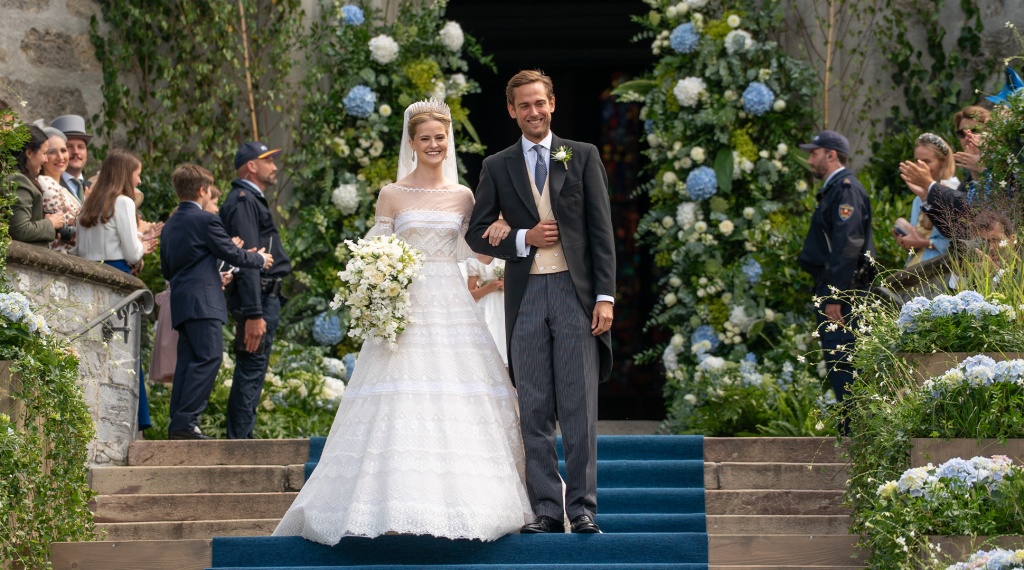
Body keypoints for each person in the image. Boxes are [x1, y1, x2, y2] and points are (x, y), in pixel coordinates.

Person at [273, 99, 532, 544]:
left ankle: (471, 503)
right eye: (425, 138)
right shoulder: (392, 194)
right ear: (411, 143)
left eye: (440, 137)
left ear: (448, 141)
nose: (433, 145)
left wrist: (500, 230)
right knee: (397, 395)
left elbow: (476, 254)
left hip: (451, 302)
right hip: (405, 305)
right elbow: (376, 251)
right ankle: (390, 504)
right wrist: (377, 282)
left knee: (458, 395)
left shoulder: (464, 196)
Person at [466, 70, 616, 535]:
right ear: (511, 110)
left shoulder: (583, 156)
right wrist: (522, 237)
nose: (533, 112)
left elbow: (601, 231)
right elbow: (476, 233)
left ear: (552, 104)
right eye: (524, 105)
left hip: (575, 293)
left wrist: (605, 297)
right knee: (532, 406)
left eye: (539, 103)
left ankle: (583, 508)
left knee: (578, 405)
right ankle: (548, 510)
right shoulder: (497, 165)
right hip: (526, 294)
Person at [160, 164, 272, 440]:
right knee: (209, 357)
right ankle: (187, 422)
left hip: (183, 301)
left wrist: (211, 273)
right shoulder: (206, 220)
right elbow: (232, 253)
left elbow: (168, 269)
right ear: (202, 190)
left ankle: (179, 423)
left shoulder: (171, 224)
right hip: (204, 302)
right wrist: (260, 259)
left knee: (188, 361)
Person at [77, 149, 158, 434]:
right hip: (118, 276)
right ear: (126, 173)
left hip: (90, 278)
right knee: (126, 350)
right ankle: (134, 422)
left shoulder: (88, 204)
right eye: (137, 174)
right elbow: (133, 253)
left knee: (98, 349)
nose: (139, 180)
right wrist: (143, 244)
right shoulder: (123, 202)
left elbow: (79, 250)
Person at [797, 130, 874, 412]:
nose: (810, 160)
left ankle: (855, 434)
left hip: (843, 297)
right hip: (835, 291)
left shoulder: (845, 190)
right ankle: (851, 432)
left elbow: (847, 246)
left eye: (814, 153)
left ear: (831, 155)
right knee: (839, 368)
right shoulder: (835, 189)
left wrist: (835, 296)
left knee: (845, 368)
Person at [219, 141, 292, 439]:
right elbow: (248, 259)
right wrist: (253, 313)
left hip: (263, 297)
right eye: (268, 161)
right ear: (251, 166)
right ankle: (239, 445)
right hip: (257, 298)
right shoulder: (244, 201)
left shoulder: (251, 199)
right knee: (251, 369)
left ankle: (242, 440)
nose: (274, 167)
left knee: (253, 370)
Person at [151, 186, 228, 384]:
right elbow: (188, 267)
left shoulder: (179, 224)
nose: (216, 210)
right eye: (214, 203)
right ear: (202, 195)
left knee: (186, 365)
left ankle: (184, 405)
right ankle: (189, 406)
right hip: (195, 304)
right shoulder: (200, 223)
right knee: (204, 359)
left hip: (184, 303)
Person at [899, 106, 991, 240]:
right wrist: (925, 196)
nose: (968, 136)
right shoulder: (966, 180)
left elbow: (981, 209)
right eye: (962, 133)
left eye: (975, 130)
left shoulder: (1004, 166)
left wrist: (930, 186)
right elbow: (955, 231)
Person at [892, 133, 958, 267]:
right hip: (917, 267)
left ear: (942, 161)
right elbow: (916, 241)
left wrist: (926, 243)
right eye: (917, 161)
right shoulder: (918, 199)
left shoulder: (954, 191)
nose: (920, 166)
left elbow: (960, 241)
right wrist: (906, 242)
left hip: (942, 269)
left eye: (927, 161)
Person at [8, 125, 65, 247]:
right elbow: (20, 230)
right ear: (29, 153)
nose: (46, 160)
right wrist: (50, 223)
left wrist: (44, 222)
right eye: (44, 153)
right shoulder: (18, 180)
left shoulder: (19, 178)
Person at [37, 125, 81, 253]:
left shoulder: (63, 188)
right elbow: (68, 232)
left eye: (63, 150)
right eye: (52, 152)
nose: (60, 157)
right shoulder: (45, 184)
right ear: (42, 155)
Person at [466, 255, 508, 365]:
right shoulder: (475, 259)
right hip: (487, 305)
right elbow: (470, 294)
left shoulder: (508, 256)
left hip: (506, 303)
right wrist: (489, 288)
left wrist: (507, 285)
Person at [49, 114, 92, 201]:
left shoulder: (94, 188)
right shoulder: (50, 186)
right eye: (68, 147)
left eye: (80, 147)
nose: (76, 152)